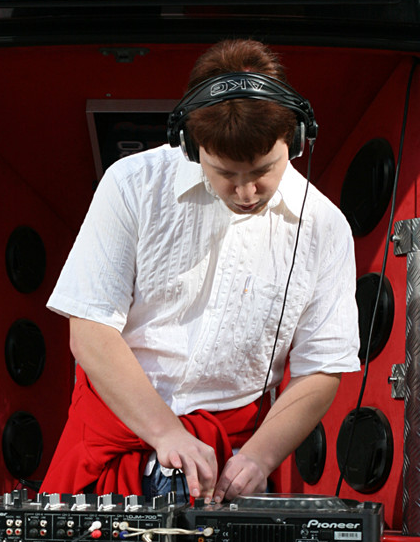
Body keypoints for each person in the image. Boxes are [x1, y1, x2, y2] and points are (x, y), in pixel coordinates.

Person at [41, 39, 359, 502]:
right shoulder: (130, 185)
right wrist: (165, 432)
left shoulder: (325, 226)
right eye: (225, 173)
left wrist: (260, 458)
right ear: (191, 146)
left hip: (230, 458)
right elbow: (90, 329)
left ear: (295, 140)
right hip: (113, 439)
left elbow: (322, 367)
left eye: (263, 171)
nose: (246, 192)